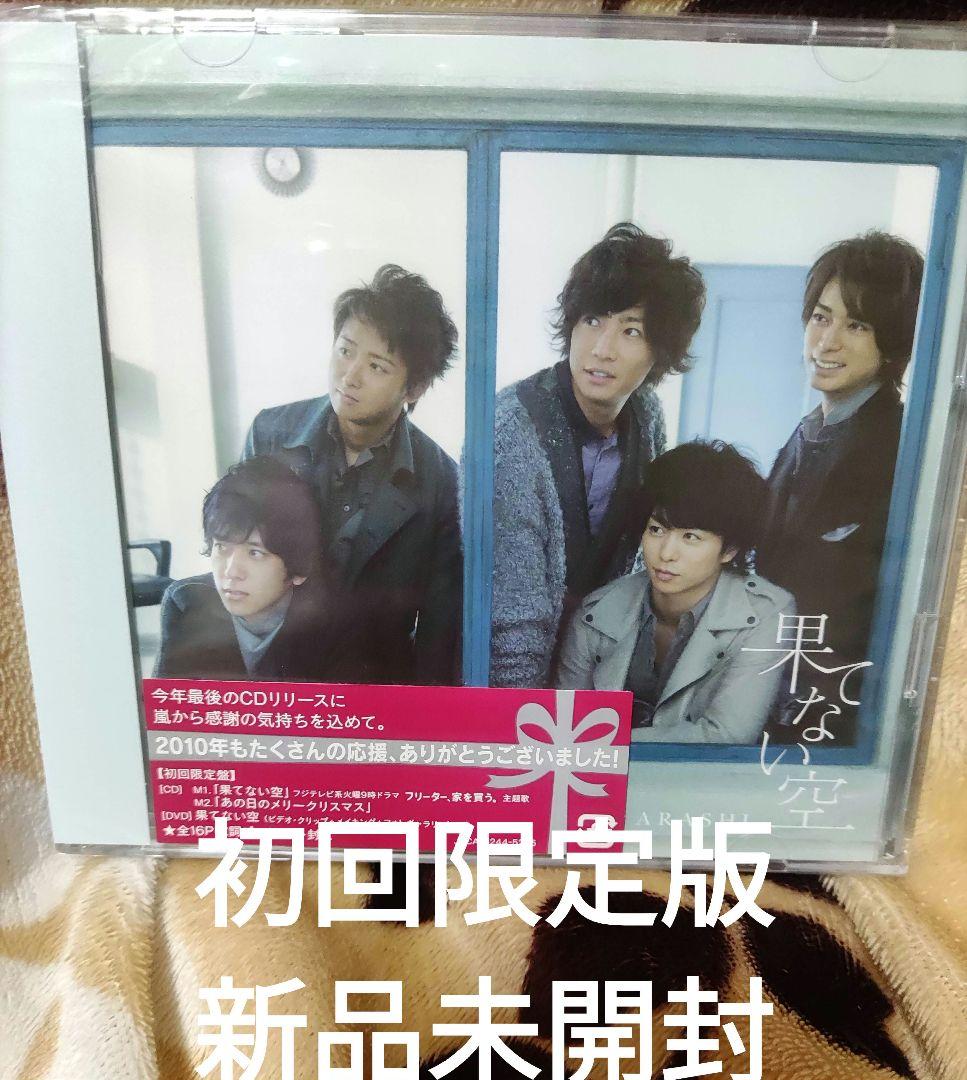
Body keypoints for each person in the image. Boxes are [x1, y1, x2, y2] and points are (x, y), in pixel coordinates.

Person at [491, 222, 706, 688]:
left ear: (660, 351)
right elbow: (512, 616)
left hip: (586, 671)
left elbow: (633, 565)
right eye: (592, 320)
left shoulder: (646, 414)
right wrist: (517, 717)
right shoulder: (510, 427)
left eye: (631, 330)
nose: (602, 349)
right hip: (502, 678)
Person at [243, 265, 462, 685]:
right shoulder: (270, 434)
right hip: (274, 682)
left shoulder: (441, 482)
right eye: (345, 351)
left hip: (376, 689)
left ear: (414, 388)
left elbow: (438, 635)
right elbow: (237, 561)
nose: (350, 375)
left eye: (377, 366)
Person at [756, 231, 924, 740]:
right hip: (771, 697)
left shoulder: (900, 446)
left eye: (857, 325)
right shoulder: (807, 430)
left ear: (892, 342)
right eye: (820, 317)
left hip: (835, 718)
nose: (827, 342)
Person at [557, 441, 795, 744]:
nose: (666, 553)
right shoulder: (596, 612)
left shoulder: (766, 613)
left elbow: (728, 735)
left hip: (699, 776)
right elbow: (565, 728)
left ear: (730, 549)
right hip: (603, 772)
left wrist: (607, 745)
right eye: (656, 529)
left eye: (690, 537)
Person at [155, 457, 372, 682]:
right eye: (221, 547)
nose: (231, 572)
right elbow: (172, 700)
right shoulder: (186, 602)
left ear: (301, 569)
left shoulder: (335, 623)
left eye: (255, 553)